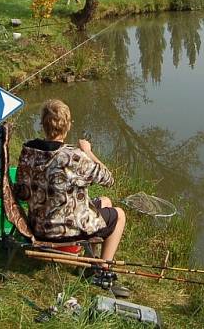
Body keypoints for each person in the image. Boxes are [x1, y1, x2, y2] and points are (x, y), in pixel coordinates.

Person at [15, 99, 128, 295]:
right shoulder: (73, 156)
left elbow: (22, 192)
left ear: (42, 124)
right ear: (67, 126)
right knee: (119, 215)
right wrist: (88, 152)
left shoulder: (28, 150)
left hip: (37, 224)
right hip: (63, 230)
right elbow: (109, 179)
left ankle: (91, 262)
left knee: (105, 201)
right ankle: (103, 270)